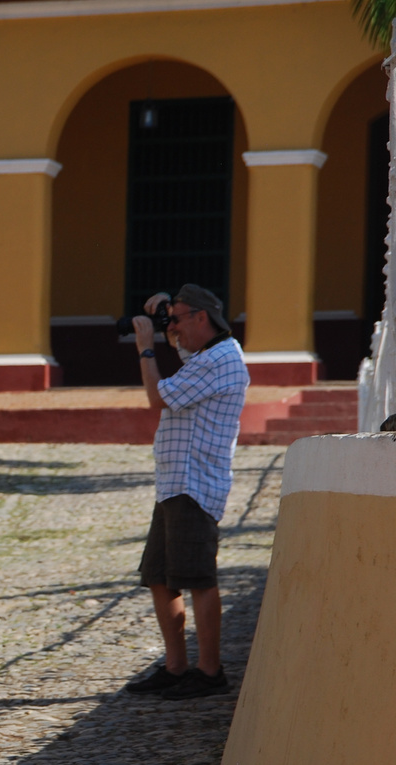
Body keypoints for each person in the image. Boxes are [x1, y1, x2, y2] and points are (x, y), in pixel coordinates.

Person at [126, 284, 249, 700]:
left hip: (196, 484)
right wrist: (165, 313)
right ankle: (177, 667)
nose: (172, 331)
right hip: (175, 482)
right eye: (169, 323)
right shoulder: (207, 356)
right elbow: (183, 354)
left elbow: (156, 397)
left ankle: (210, 671)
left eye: (178, 320)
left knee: (199, 579)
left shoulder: (221, 359)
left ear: (201, 317)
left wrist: (145, 346)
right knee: (160, 577)